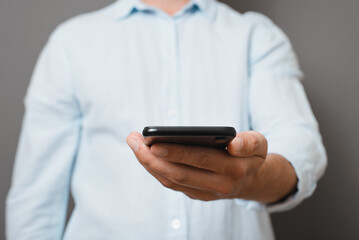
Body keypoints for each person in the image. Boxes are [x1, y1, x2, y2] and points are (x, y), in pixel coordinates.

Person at [6, 0, 327, 239]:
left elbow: (299, 143)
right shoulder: (70, 42)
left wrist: (249, 180)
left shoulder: (256, 35)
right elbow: (34, 203)